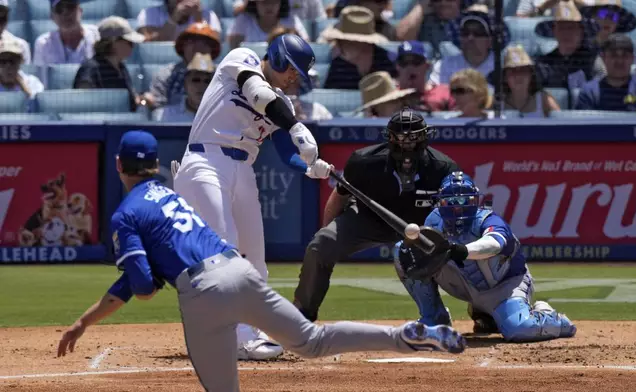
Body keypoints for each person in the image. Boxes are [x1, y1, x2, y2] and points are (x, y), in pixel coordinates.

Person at [56, 130, 467, 392]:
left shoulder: (126, 213)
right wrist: (88, 319)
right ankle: (403, 336)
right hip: (238, 269)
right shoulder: (172, 197)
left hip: (202, 294)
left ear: (118, 165)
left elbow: (141, 287)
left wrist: (88, 319)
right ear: (156, 167)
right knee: (312, 341)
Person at [170, 34, 332, 360]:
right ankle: (235, 338)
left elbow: (288, 153)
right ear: (278, 57)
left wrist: (310, 167)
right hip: (205, 161)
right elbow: (257, 94)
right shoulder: (241, 59)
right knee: (225, 249)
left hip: (243, 169)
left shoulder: (282, 103)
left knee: (255, 259)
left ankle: (247, 330)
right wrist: (297, 126)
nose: (294, 77)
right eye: (292, 69)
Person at [293, 109, 460, 323]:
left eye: (413, 138)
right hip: (368, 220)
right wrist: (327, 235)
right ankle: (302, 315)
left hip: (422, 228)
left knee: (464, 249)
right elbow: (340, 196)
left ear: (425, 137)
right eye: (399, 137)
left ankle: (471, 311)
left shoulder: (443, 167)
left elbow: (455, 212)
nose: (405, 143)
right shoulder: (364, 161)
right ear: (388, 137)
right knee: (321, 244)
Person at [392, 171, 577, 341]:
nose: (458, 207)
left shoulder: (489, 219)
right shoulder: (434, 221)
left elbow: (494, 244)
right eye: (451, 201)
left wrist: (463, 250)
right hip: (465, 284)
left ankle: (553, 319)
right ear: (440, 202)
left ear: (476, 201)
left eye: (464, 201)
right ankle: (434, 316)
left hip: (504, 286)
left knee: (519, 328)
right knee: (406, 252)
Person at [534, 1, 604, 102]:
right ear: (554, 31)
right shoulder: (543, 64)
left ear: (581, 31)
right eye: (561, 27)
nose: (566, 33)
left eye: (571, 27)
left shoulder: (594, 61)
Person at [73, 17, 145, 112]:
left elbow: (128, 101)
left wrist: (142, 100)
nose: (132, 46)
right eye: (129, 42)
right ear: (113, 42)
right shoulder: (91, 68)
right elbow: (83, 102)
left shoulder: (121, 67)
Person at [144, 22, 221, 110]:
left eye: (205, 43)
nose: (198, 47)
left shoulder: (223, 75)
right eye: (192, 42)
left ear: (213, 49)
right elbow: (158, 109)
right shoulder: (166, 76)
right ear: (182, 46)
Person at [320, 6, 396, 90]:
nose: (337, 44)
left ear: (360, 42)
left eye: (342, 40)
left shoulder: (390, 61)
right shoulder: (338, 65)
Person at [576, 34, 636, 115]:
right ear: (603, 58)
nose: (620, 61)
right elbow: (584, 124)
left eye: (625, 56)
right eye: (614, 55)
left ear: (632, 58)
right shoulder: (589, 91)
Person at [492, 45, 560, 117]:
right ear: (505, 77)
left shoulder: (544, 99)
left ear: (531, 75)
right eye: (512, 71)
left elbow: (562, 124)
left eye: (523, 70)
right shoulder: (496, 102)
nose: (518, 76)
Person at [33, 0, 100, 66]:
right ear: (52, 17)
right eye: (59, 10)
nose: (65, 13)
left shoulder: (97, 36)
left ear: (80, 11)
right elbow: (40, 75)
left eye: (70, 7)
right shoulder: (43, 44)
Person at [395, 41, 455, 114]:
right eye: (404, 63)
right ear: (397, 67)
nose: (410, 67)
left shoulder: (444, 93)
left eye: (416, 62)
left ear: (427, 66)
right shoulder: (389, 96)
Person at [153, 53, 215, 122]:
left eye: (207, 81)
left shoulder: (222, 115)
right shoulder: (166, 116)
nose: (201, 85)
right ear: (185, 84)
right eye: (196, 80)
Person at [227, 0, 310, 49]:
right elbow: (233, 48)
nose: (269, 6)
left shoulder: (291, 20)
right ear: (255, 3)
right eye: (265, 2)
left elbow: (305, 46)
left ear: (281, 3)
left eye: (274, 1)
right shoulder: (243, 19)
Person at [137, 0, 222, 42]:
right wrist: (174, 19)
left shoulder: (208, 15)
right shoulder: (149, 13)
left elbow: (213, 45)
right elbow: (149, 46)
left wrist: (198, 19)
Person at [0, 39, 44, 111]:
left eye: (12, 61)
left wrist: (24, 87)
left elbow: (37, 109)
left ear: (20, 62)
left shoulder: (33, 82)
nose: (8, 66)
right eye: (2, 61)